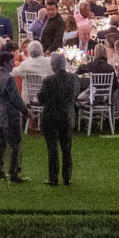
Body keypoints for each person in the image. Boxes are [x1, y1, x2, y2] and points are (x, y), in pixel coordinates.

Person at [39, 55, 83, 186]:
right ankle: (67, 177)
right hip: (67, 116)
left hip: (51, 118)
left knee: (52, 149)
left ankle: (53, 178)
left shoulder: (48, 81)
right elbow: (76, 94)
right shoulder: (74, 79)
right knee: (66, 148)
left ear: (54, 66)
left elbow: (41, 98)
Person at [0, 52, 27, 184]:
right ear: (5, 63)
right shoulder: (9, 78)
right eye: (12, 62)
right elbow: (15, 99)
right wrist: (26, 111)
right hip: (9, 116)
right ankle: (13, 173)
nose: (13, 65)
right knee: (14, 145)